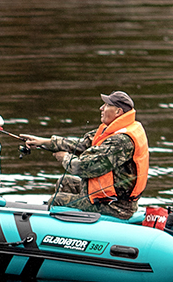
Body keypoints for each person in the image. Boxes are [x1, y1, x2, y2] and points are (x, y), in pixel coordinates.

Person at [19, 90, 149, 219]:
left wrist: (65, 158)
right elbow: (82, 145)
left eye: (107, 105)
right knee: (65, 182)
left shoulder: (121, 141)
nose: (101, 108)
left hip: (116, 206)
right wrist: (46, 142)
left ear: (118, 112)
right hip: (109, 197)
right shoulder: (116, 130)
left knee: (56, 200)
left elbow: (85, 167)